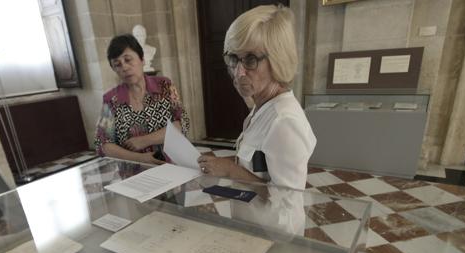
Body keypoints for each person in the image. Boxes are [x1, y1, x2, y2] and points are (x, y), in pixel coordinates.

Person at [197, 5, 316, 190]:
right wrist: (223, 163)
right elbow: (258, 164)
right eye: (234, 58)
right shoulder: (262, 105)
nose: (239, 72)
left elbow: (287, 198)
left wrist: (230, 170)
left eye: (250, 59)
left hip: (272, 220)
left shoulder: (284, 121)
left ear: (278, 59)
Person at [95, 34, 190, 164]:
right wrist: (140, 159)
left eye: (128, 60)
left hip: (171, 164)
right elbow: (103, 144)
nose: (124, 67)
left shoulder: (165, 86)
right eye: (117, 64)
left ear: (142, 59)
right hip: (133, 170)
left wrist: (144, 140)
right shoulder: (111, 100)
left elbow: (182, 122)